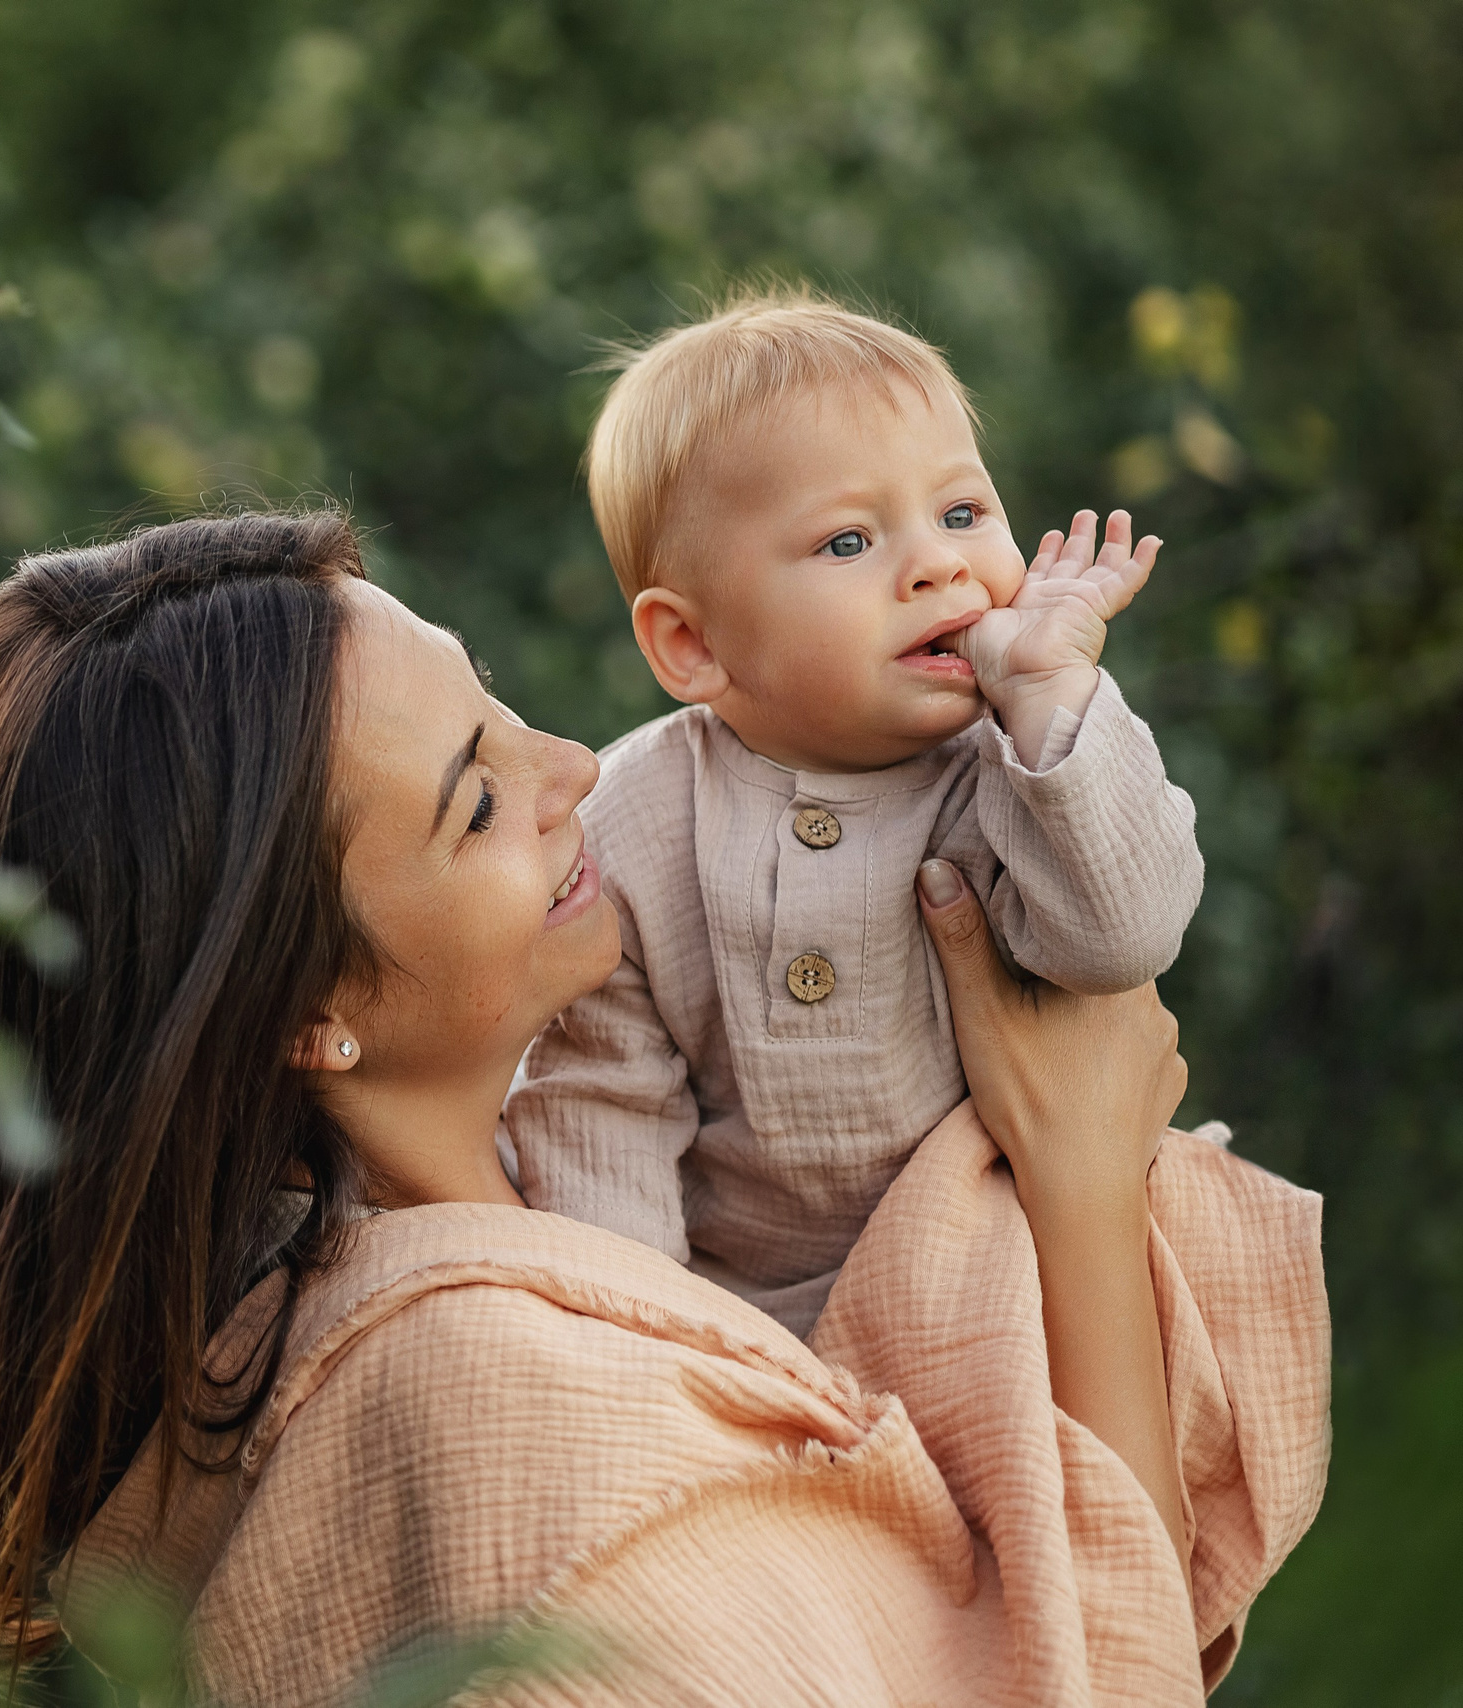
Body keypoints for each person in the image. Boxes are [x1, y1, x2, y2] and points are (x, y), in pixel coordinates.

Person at [0, 512, 1326, 1705]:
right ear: (310, 1014)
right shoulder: (502, 1411)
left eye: (496, 705)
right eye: (476, 804)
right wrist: (1073, 1183)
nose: (574, 768)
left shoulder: (338, 1344)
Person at [505, 291, 1206, 1337]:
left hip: (1026, 1278)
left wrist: (1055, 697)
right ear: (691, 645)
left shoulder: (1022, 763)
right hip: (751, 1315)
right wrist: (654, 1362)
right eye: (846, 542)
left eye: (962, 514)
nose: (938, 563)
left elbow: (1126, 936)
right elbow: (601, 1117)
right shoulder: (633, 831)